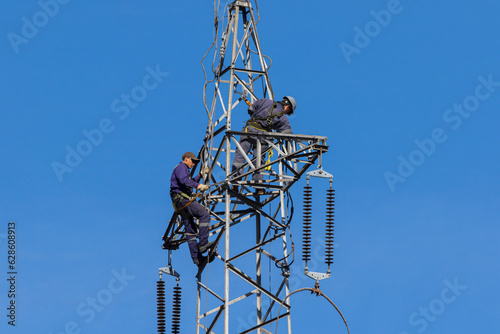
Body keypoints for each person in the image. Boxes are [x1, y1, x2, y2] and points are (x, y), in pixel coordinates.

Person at [231, 96, 297, 190]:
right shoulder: (282, 117)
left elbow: (251, 109)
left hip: (248, 131)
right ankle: (258, 186)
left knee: (240, 155)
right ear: (287, 107)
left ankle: (235, 182)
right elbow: (287, 135)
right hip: (262, 138)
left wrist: (258, 116)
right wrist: (290, 149)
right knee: (259, 161)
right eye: (288, 112)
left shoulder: (265, 101)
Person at [170, 151, 214, 267]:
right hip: (184, 200)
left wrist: (200, 175)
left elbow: (188, 183)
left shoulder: (183, 169)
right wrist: (199, 186)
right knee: (204, 215)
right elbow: (185, 181)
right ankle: (203, 243)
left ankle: (197, 259)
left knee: (190, 232)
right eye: (193, 161)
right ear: (187, 159)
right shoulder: (181, 167)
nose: (193, 164)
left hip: (180, 202)